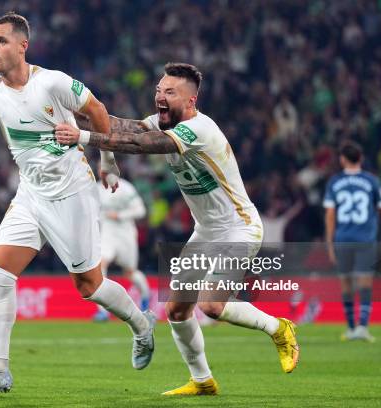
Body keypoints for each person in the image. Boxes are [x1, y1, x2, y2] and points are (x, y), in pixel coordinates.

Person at [0, 12, 155, 398]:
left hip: (73, 194)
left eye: (1, 41)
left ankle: (141, 325)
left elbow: (97, 111)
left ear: (22, 45)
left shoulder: (53, 82)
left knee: (89, 286)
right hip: (31, 195)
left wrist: (108, 160)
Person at [55, 62, 299, 396]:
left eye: (170, 92)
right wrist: (76, 111)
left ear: (190, 101)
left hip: (239, 228)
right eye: (158, 89)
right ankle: (202, 381)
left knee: (212, 305)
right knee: (177, 308)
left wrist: (83, 135)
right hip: (207, 231)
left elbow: (142, 145)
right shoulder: (161, 120)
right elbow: (122, 127)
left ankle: (279, 328)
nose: (160, 96)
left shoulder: (199, 129)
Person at [323, 141, 381, 342]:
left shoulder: (334, 182)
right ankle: (362, 327)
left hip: (343, 239)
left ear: (343, 159)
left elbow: (330, 214)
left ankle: (351, 327)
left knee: (346, 283)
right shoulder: (372, 181)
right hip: (365, 238)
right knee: (365, 282)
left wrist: (329, 242)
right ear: (360, 159)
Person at [94, 177, 149, 321]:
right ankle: (103, 311)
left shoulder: (126, 187)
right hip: (107, 234)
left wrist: (119, 215)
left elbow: (141, 210)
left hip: (126, 234)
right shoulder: (96, 187)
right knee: (101, 264)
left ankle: (145, 300)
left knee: (130, 273)